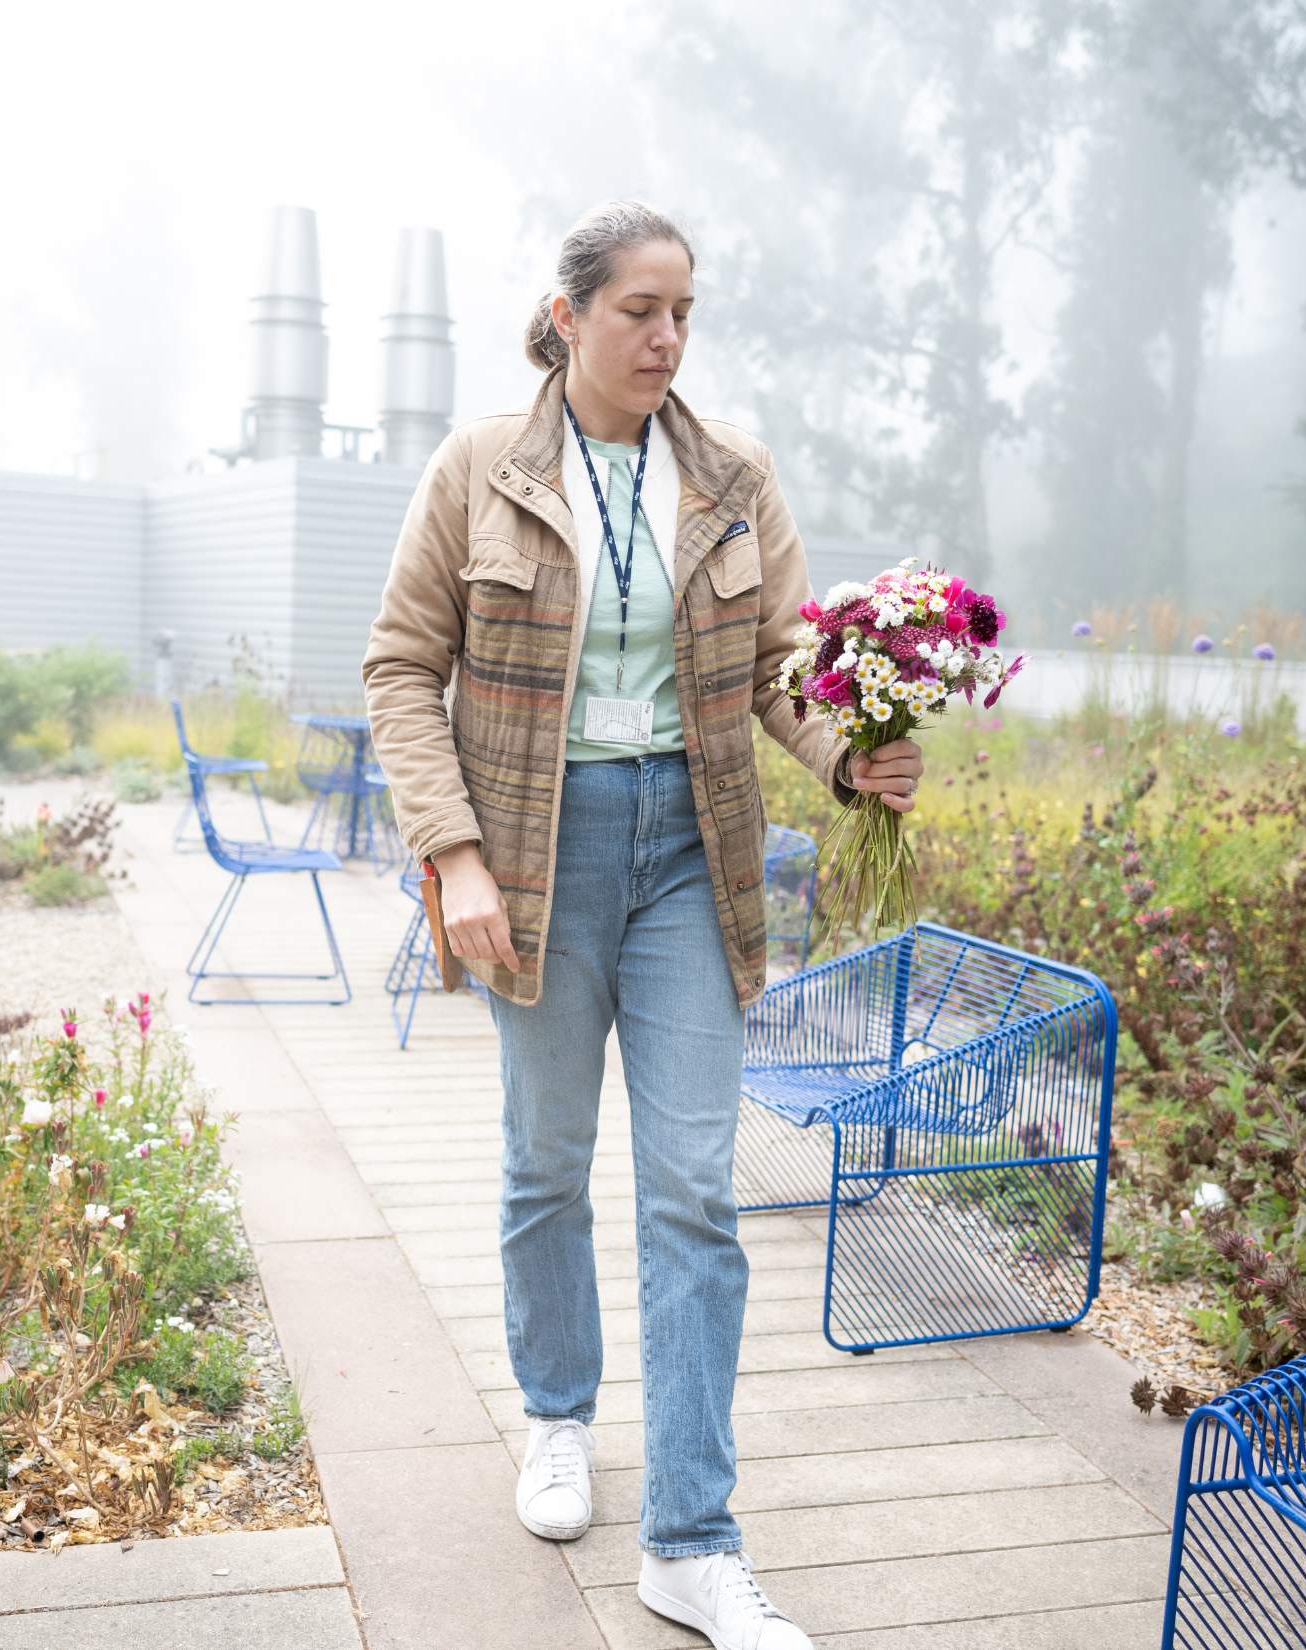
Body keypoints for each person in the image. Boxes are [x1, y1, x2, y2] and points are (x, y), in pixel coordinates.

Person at [361, 199, 920, 1650]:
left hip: (689, 853)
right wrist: (457, 855)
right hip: (532, 856)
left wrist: (853, 752)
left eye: (684, 312)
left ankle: (692, 1541)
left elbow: (784, 665)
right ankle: (557, 1414)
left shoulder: (734, 475)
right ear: (569, 317)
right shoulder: (481, 467)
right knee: (546, 1158)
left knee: (692, 1187)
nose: (666, 336)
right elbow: (401, 666)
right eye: (638, 311)